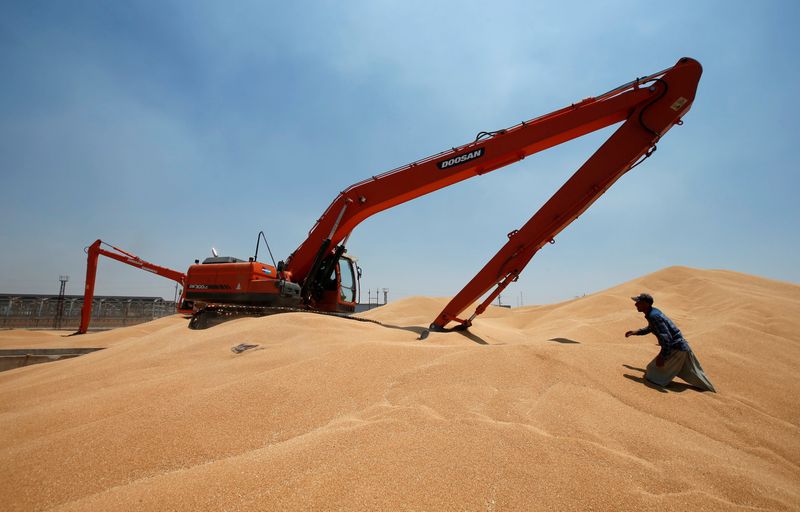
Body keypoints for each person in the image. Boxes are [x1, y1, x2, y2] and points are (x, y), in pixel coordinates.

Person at [625, 293, 716, 392]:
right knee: (695, 374)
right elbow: (652, 328)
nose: (636, 304)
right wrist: (636, 332)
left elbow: (666, 338)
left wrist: (662, 356)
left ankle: (713, 394)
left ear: (646, 304)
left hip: (677, 349)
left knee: (653, 373)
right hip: (681, 347)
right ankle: (712, 391)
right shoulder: (653, 312)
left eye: (638, 302)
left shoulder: (653, 316)